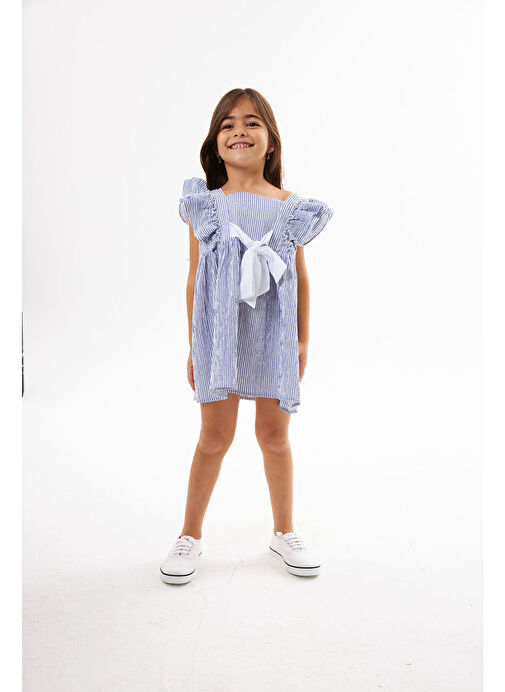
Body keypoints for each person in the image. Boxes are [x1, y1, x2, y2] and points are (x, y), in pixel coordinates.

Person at [160, 88, 334, 585]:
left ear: (271, 141)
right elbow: (194, 278)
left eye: (252, 122)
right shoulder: (205, 205)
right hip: (220, 332)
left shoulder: (291, 208)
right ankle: (189, 535)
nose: (239, 130)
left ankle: (284, 532)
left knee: (274, 437)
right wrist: (195, 344)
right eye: (228, 124)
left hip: (273, 332)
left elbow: (301, 277)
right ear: (216, 143)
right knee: (214, 437)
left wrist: (301, 341)